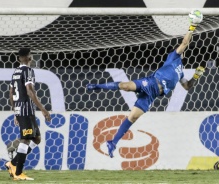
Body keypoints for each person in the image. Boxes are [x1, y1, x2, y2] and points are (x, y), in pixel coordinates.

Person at [86, 10, 205, 158]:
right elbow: (185, 42)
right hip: (150, 82)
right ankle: (97, 86)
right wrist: (192, 26)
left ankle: (113, 142)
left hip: (153, 95)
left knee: (133, 117)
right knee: (125, 86)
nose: (183, 49)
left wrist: (195, 76)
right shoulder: (173, 57)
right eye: (182, 49)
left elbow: (187, 86)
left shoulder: (181, 73)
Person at [5, 48, 51, 180]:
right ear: (29, 58)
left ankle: (12, 164)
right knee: (25, 139)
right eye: (30, 55)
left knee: (36, 139)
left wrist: (15, 112)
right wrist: (43, 109)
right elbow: (30, 91)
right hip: (26, 110)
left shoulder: (16, 72)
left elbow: (11, 93)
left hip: (21, 110)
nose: (31, 57)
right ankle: (18, 173)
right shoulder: (28, 71)